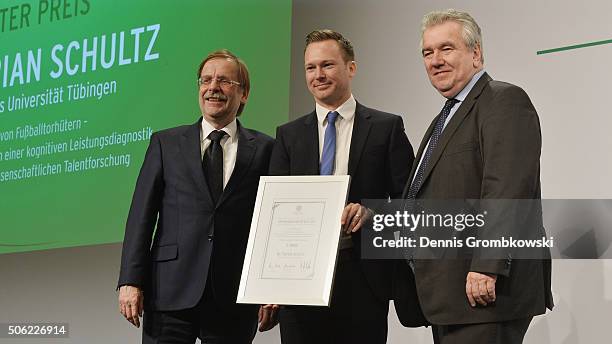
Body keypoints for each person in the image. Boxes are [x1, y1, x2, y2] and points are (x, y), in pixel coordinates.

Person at [397, 9, 554, 344]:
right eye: (428, 52)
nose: (435, 60)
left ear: (476, 53)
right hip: (451, 298)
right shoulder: (446, 117)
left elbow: (507, 189)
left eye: (446, 48)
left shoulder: (503, 100)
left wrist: (487, 265)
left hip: (485, 293)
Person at [117, 49, 275, 344]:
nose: (213, 87)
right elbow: (141, 215)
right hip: (169, 292)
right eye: (206, 80)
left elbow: (271, 225)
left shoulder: (267, 149)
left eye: (225, 81)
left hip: (234, 296)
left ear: (244, 94)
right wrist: (130, 280)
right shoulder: (166, 143)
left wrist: (272, 289)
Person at [268, 29, 415, 344]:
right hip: (299, 286)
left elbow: (411, 200)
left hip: (362, 281)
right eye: (311, 68)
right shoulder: (288, 136)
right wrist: (271, 287)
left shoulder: (386, 128)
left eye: (327, 65)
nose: (318, 75)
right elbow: (275, 214)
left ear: (351, 68)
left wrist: (373, 213)